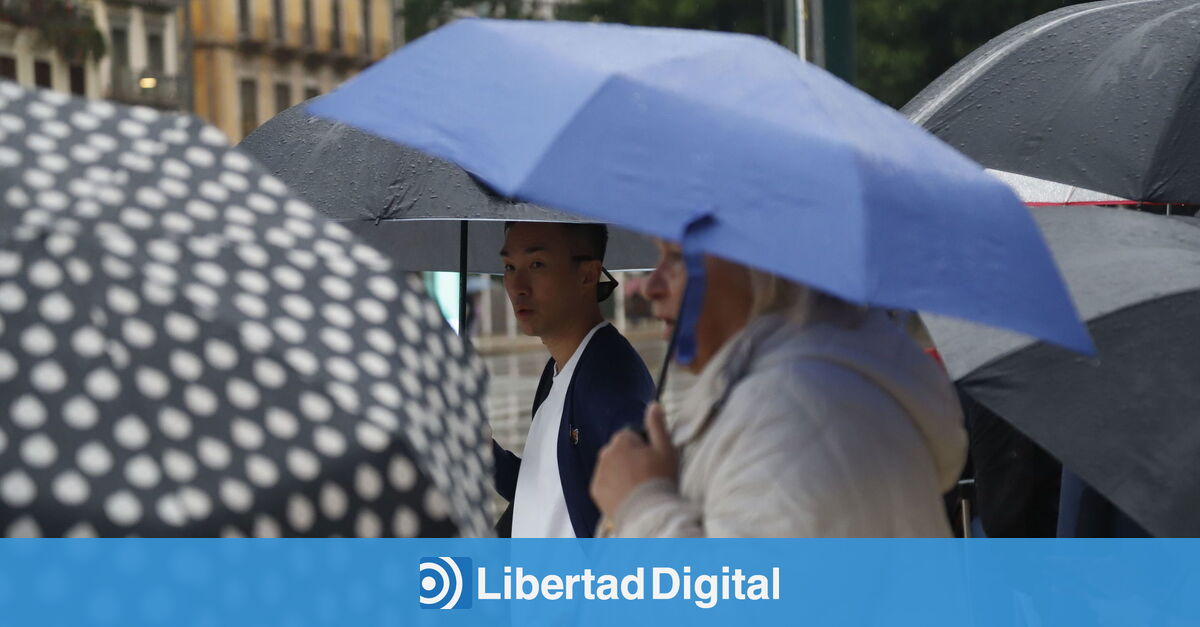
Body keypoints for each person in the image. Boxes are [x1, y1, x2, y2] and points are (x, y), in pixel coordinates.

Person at [590, 240, 967, 537]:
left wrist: (641, 507)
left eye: (677, 257)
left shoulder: (797, 414)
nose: (652, 286)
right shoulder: (778, 399)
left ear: (758, 270)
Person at [493, 222, 654, 538]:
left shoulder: (610, 383)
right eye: (510, 267)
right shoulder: (557, 371)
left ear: (588, 275)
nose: (517, 286)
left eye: (537, 264)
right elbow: (549, 492)